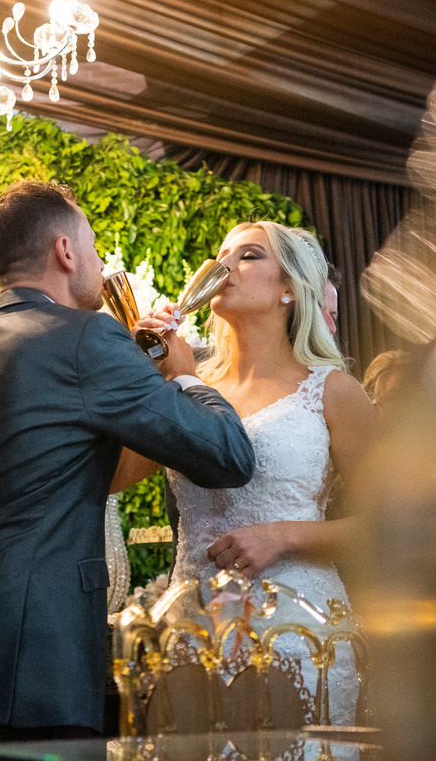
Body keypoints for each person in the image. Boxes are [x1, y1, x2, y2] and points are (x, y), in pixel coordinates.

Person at [0, 180, 256, 740]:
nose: (95, 260)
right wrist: (185, 372)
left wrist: (136, 364)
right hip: (46, 668)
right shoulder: (88, 338)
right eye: (91, 245)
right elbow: (228, 455)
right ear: (66, 252)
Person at [115, 220, 378, 725]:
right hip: (192, 633)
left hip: (300, 635)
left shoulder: (333, 392)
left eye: (250, 255)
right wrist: (142, 374)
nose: (223, 265)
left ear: (289, 289)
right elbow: (114, 478)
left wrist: (282, 536)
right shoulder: (186, 388)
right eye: (221, 252)